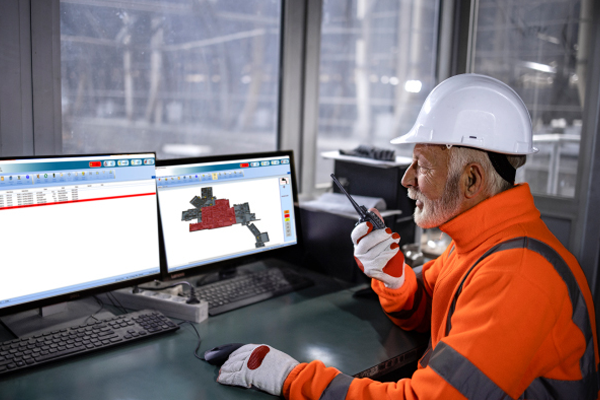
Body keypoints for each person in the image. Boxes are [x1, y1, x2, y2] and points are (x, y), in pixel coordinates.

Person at [215, 74, 600, 399]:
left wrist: (289, 376)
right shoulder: (485, 243)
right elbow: (426, 311)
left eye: (422, 165)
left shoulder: (516, 276)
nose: (406, 180)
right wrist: (394, 276)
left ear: (471, 180)